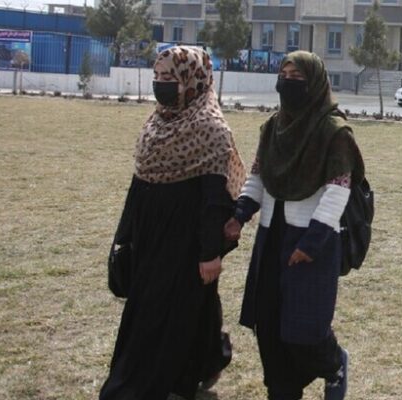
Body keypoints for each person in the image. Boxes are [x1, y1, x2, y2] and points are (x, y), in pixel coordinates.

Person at [100, 46, 245, 399]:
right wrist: (126, 237)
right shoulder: (156, 123)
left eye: (170, 77)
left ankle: (147, 385)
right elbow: (138, 185)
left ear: (193, 80)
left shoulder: (211, 129)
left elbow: (215, 200)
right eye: (158, 76)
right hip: (149, 236)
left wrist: (209, 253)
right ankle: (206, 362)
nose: (161, 84)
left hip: (185, 242)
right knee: (178, 306)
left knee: (169, 310)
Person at [224, 51, 364, 400]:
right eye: (283, 75)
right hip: (272, 236)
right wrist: (240, 214)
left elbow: (338, 191)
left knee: (304, 328)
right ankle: (282, 390)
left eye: (297, 76)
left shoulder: (334, 131)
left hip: (311, 240)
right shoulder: (274, 127)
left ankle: (334, 364)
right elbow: (258, 176)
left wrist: (311, 243)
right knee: (269, 323)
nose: (288, 82)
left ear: (313, 82)